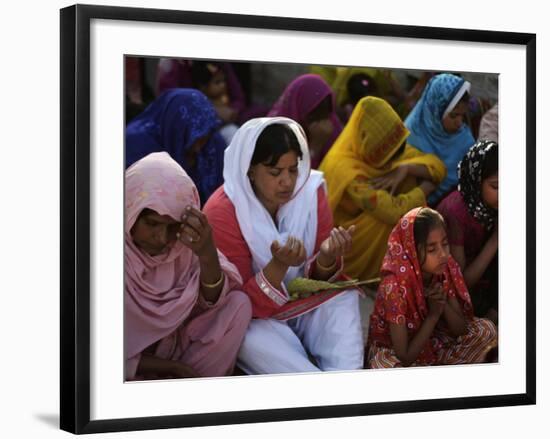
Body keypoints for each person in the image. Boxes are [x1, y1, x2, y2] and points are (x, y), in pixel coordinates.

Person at [203, 117, 364, 374]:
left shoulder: (310, 191)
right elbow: (237, 302)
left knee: (343, 300)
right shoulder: (222, 211)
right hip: (256, 318)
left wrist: (325, 258)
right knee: (244, 337)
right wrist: (279, 265)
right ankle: (316, 390)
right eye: (275, 172)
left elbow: (317, 281)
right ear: (250, 170)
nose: (287, 182)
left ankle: (346, 377)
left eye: (293, 169)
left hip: (302, 302)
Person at [125, 152, 252, 380]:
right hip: (130, 369)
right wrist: (170, 368)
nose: (162, 238)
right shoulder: (101, 258)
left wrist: (206, 252)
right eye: (152, 224)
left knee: (239, 305)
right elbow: (97, 352)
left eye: (172, 226)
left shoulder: (181, 246)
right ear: (130, 210)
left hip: (178, 350)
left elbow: (211, 303)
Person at [319, 96, 446, 281]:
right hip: (342, 241)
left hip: (364, 224)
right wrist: (426, 187)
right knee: (386, 220)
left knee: (408, 178)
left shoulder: (387, 146)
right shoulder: (349, 172)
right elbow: (392, 211)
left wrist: (405, 168)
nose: (394, 161)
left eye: (397, 155)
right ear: (371, 145)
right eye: (390, 157)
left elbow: (438, 166)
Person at [366, 207, 498, 368]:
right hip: (396, 350)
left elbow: (461, 329)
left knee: (486, 330)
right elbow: (405, 356)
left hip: (434, 339)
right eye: (431, 249)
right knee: (388, 367)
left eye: (445, 244)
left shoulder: (444, 267)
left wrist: (442, 305)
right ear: (411, 250)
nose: (442, 253)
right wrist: (433, 316)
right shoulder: (394, 286)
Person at [125, 88, 226, 204]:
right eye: (191, 140)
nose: (198, 149)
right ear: (176, 130)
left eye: (203, 140)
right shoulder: (137, 144)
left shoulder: (212, 142)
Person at [437, 140, 498, 323]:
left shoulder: (489, 208)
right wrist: (495, 240)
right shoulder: (456, 213)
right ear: (476, 180)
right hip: (449, 296)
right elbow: (460, 283)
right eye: (496, 186)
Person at [404, 73, 476, 205]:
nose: (459, 123)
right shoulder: (411, 133)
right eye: (454, 116)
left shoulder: (465, 140)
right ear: (435, 110)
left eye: (462, 115)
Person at [268, 74, 343, 169]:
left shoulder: (332, 124)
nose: (320, 125)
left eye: (325, 114)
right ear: (298, 108)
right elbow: (291, 180)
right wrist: (315, 148)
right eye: (313, 117)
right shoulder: (275, 132)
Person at [190, 61, 240, 143]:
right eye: (217, 82)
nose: (223, 85)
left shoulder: (224, 97)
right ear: (203, 86)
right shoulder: (202, 101)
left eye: (224, 81)